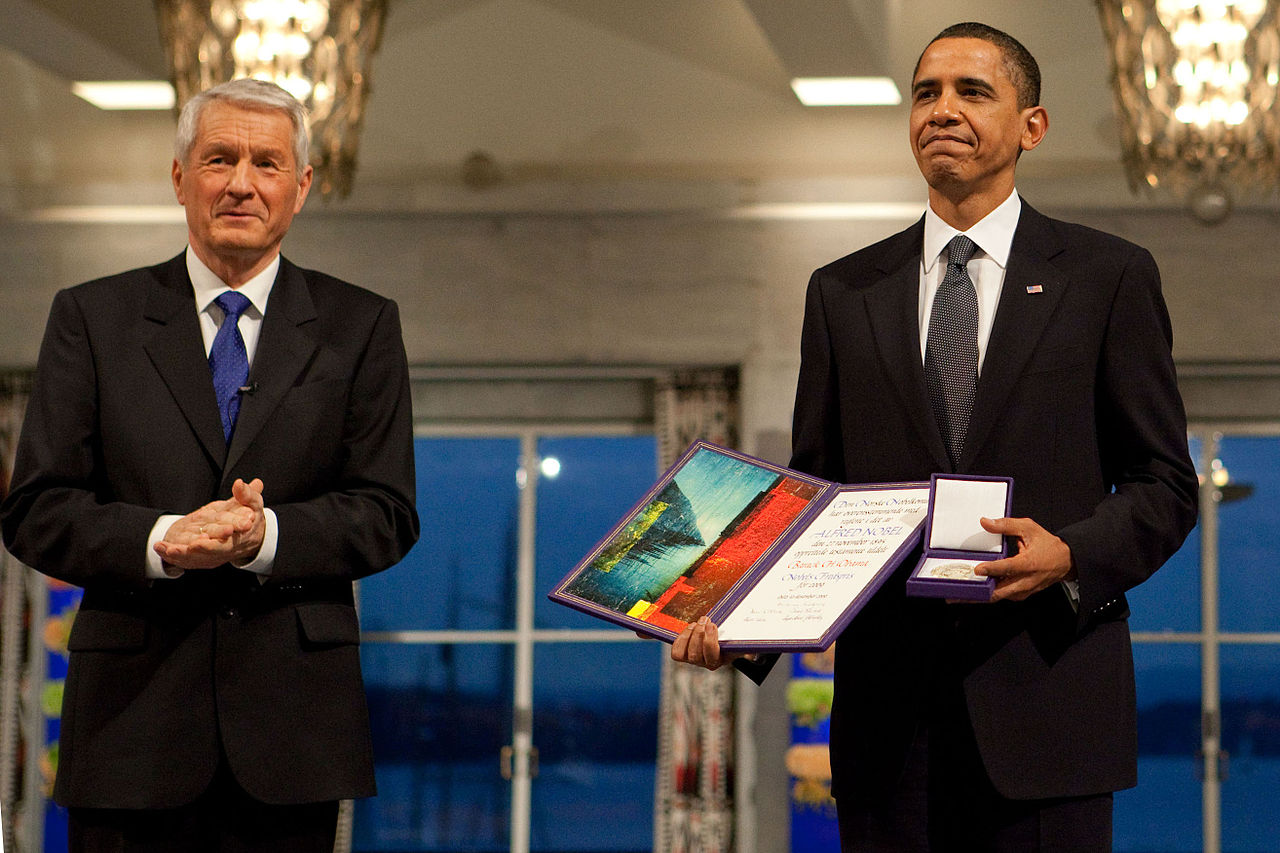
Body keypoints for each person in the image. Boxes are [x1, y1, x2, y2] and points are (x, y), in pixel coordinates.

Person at [672, 22, 1198, 852]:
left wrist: (1070, 554)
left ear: (1034, 125)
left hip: (1050, 707)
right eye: (926, 93)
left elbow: (1166, 483)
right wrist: (736, 621)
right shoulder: (843, 292)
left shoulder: (1107, 276)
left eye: (972, 91)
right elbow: (813, 499)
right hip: (890, 727)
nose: (942, 109)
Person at [0, 78, 419, 851]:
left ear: (301, 187)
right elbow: (36, 508)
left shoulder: (361, 326)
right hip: (129, 730)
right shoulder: (91, 318)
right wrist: (163, 538)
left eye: (267, 163)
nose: (240, 182)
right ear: (179, 177)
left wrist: (264, 538)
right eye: (218, 158)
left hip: (294, 740)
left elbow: (386, 512)